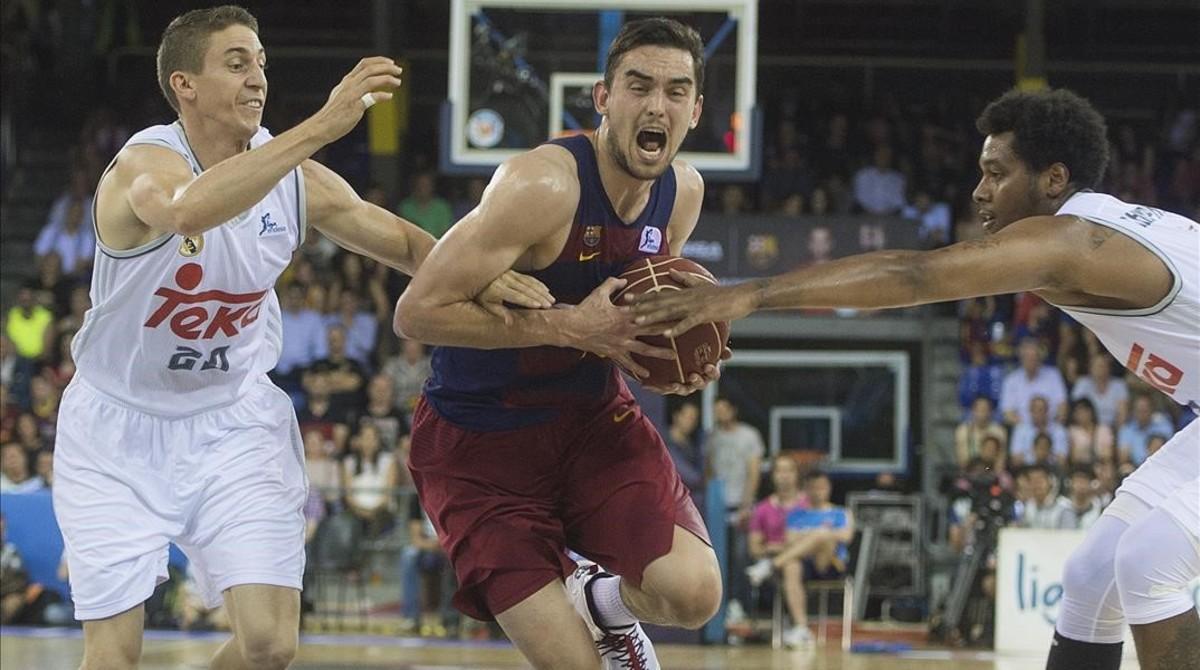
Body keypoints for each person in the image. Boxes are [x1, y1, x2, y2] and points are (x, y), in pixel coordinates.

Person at [51, 7, 550, 670]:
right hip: (117, 429)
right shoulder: (143, 164)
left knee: (269, 645)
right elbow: (185, 210)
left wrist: (485, 279)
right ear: (184, 85)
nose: (257, 78)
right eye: (236, 63)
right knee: (114, 655)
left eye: (261, 63)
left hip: (232, 421)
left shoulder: (294, 178)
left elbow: (402, 243)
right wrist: (324, 124)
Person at [634, 87, 1199, 670]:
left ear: (1054, 179)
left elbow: (915, 275)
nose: (979, 191)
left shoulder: (1076, 242)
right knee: (1090, 576)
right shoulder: (1104, 228)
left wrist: (749, 294)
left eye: (997, 173)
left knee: (1147, 561)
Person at [394, 18, 725, 670]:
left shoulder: (683, 193)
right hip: (479, 444)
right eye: (639, 86)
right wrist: (566, 325)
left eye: (676, 91)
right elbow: (416, 313)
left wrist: (679, 358)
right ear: (603, 98)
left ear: (695, 111)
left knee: (695, 594)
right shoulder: (542, 185)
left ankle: (599, 600)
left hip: (591, 422)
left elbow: (644, 318)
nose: (656, 105)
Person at [746, 470, 854, 647]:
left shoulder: (841, 513)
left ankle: (771, 565)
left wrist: (814, 536)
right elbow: (790, 541)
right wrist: (817, 537)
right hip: (805, 564)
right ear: (807, 489)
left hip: (831, 564)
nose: (818, 492)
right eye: (814, 488)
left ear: (829, 488)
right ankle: (802, 628)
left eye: (822, 487)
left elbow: (846, 536)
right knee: (791, 566)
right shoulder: (796, 515)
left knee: (822, 535)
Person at [745, 453, 811, 647]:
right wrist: (779, 548)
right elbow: (754, 548)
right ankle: (801, 628)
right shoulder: (762, 509)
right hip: (777, 567)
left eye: (789, 470)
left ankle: (798, 626)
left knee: (792, 565)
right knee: (791, 566)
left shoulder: (809, 505)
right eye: (779, 470)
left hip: (810, 562)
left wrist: (776, 547)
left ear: (797, 474)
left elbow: (812, 541)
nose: (784, 476)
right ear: (772, 475)